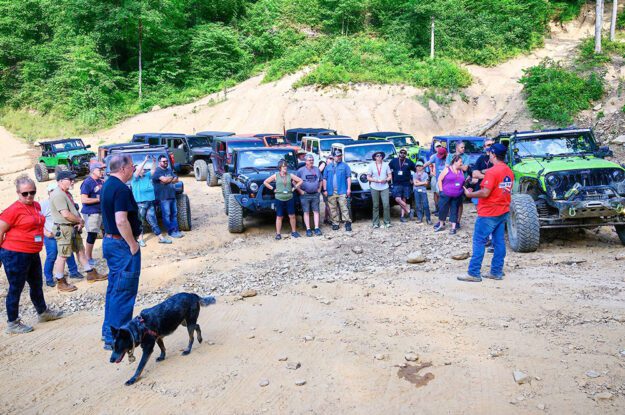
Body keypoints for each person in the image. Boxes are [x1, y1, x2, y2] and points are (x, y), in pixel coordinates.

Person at [0, 175, 63, 334]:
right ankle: (12, 323)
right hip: (15, 254)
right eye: (25, 193)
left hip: (32, 252)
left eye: (32, 192)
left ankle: (43, 313)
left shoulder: (35, 205)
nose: (29, 196)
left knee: (36, 284)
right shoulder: (13, 210)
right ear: (18, 193)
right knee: (16, 288)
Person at [101, 154, 143, 349]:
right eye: (132, 166)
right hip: (121, 245)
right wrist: (132, 243)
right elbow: (121, 220)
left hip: (111, 243)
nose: (133, 169)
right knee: (124, 291)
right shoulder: (120, 189)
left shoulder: (108, 185)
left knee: (115, 289)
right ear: (124, 168)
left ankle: (109, 334)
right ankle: (117, 339)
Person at [458, 143, 514, 282]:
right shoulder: (509, 171)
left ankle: (473, 272)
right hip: (502, 210)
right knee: (499, 241)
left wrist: (469, 195)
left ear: (493, 154)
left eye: (490, 152)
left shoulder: (492, 172)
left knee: (479, 241)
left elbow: (485, 192)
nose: (488, 153)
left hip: (489, 211)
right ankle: (496, 271)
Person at [50, 171, 107, 292]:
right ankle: (60, 281)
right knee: (63, 255)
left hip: (71, 227)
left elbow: (72, 211)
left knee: (80, 251)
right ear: (60, 181)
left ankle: (90, 273)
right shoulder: (58, 195)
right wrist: (79, 221)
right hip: (64, 228)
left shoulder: (65, 193)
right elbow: (65, 214)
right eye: (69, 179)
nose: (72, 181)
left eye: (72, 179)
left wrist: (77, 222)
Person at [41, 183, 82, 287]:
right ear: (48, 193)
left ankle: (73, 272)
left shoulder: (64, 199)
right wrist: (45, 232)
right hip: (51, 235)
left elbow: (74, 213)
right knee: (52, 256)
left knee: (68, 252)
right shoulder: (45, 204)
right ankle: (49, 278)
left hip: (65, 231)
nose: (54, 192)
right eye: (52, 191)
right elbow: (38, 220)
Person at [132, 155, 171, 245]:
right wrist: (145, 160)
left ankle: (161, 238)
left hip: (150, 202)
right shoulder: (135, 178)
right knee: (140, 221)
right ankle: (140, 239)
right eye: (141, 169)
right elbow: (137, 171)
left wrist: (154, 162)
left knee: (153, 220)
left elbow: (153, 171)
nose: (143, 170)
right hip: (141, 203)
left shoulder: (146, 176)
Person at [263, 159, 304, 239]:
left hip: (289, 198)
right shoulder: (276, 175)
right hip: (279, 198)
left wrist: (294, 188)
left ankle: (294, 232)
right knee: (279, 216)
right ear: (280, 168)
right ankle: (278, 234)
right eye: (283, 166)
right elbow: (265, 182)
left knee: (292, 215)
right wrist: (273, 189)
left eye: (286, 166)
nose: (285, 168)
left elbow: (300, 181)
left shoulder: (290, 175)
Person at [152, 155, 183, 239]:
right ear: (159, 162)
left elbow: (176, 179)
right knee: (167, 215)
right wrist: (169, 179)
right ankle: (171, 231)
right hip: (163, 197)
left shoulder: (169, 169)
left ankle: (176, 230)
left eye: (166, 161)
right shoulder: (157, 171)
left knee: (174, 214)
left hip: (172, 195)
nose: (166, 162)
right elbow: (166, 180)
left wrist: (167, 179)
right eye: (164, 161)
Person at [80, 161, 105, 265]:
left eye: (102, 169)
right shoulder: (87, 182)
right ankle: (88, 257)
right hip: (91, 212)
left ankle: (106, 253)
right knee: (92, 234)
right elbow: (84, 200)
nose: (102, 171)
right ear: (93, 170)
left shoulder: (101, 181)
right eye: (100, 169)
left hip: (101, 211)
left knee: (107, 232)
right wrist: (98, 199)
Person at [323, 149, 352, 231]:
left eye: (340, 156)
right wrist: (325, 190)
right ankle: (335, 223)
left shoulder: (345, 166)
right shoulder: (328, 167)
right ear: (333, 157)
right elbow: (324, 179)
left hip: (342, 190)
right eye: (337, 156)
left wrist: (348, 189)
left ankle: (347, 222)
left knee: (344, 207)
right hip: (331, 191)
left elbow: (348, 177)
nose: (339, 157)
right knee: (332, 207)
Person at [434, 155, 465, 234]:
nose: (462, 163)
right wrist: (441, 191)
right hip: (446, 193)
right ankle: (441, 225)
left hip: (457, 195)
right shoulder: (447, 169)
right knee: (443, 209)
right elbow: (439, 179)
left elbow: (462, 181)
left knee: (454, 210)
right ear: (455, 162)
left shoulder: (461, 171)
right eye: (460, 162)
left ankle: (453, 228)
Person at [296, 153, 323, 237]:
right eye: (309, 160)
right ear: (305, 161)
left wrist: (319, 189)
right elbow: (294, 181)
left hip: (315, 194)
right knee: (306, 212)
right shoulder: (301, 170)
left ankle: (317, 228)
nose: (311, 161)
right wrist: (299, 190)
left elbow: (321, 180)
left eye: (312, 160)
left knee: (316, 211)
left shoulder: (317, 169)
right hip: (305, 195)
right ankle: (308, 229)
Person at [445, 141, 470, 228]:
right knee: (449, 201)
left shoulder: (466, 157)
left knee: (459, 203)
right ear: (457, 148)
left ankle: (458, 221)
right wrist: (459, 166)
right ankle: (451, 220)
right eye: (461, 147)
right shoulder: (449, 155)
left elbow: (465, 168)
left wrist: (454, 166)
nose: (463, 149)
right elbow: (447, 167)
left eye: (464, 147)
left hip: (462, 182)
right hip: (450, 181)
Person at [388, 147, 416, 222]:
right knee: (397, 198)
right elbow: (387, 169)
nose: (402, 154)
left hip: (406, 184)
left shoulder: (409, 162)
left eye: (404, 153)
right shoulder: (393, 161)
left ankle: (402, 216)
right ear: (399, 153)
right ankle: (409, 211)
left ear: (406, 154)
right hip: (396, 183)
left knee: (404, 199)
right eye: (401, 152)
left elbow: (416, 170)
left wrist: (414, 179)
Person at [367, 150, 392, 228]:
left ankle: (387, 222)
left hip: (384, 187)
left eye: (380, 156)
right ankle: (375, 223)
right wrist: (375, 180)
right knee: (375, 205)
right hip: (374, 186)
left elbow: (390, 176)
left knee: (386, 204)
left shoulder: (386, 165)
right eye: (377, 156)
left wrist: (386, 180)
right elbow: (368, 177)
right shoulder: (371, 165)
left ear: (382, 157)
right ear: (375, 157)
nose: (379, 157)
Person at [424, 145, 447, 214]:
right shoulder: (435, 156)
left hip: (446, 180)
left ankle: (445, 211)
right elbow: (428, 162)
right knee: (438, 194)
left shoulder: (449, 157)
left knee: (445, 195)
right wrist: (421, 167)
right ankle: (440, 209)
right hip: (438, 179)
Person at [319, 155, 333, 225]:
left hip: (329, 187)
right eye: (330, 158)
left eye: (332, 159)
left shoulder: (332, 165)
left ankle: (326, 218)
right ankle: (331, 219)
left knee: (328, 203)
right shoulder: (323, 164)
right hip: (324, 187)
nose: (331, 160)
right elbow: (318, 171)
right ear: (327, 159)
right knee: (328, 203)